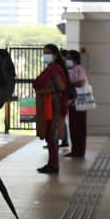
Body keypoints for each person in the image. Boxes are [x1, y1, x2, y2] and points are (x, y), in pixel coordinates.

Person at [33, 43, 68, 174]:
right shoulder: (51, 68)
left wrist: (47, 91)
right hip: (48, 105)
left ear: (55, 55)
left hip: (53, 105)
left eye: (48, 53)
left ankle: (54, 165)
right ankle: (51, 163)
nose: (45, 55)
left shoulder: (55, 69)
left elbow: (61, 87)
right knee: (49, 135)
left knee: (52, 135)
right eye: (44, 53)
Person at [65, 50, 88, 158]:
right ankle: (75, 150)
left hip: (79, 102)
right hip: (72, 103)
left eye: (69, 58)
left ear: (75, 59)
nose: (67, 60)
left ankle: (80, 151)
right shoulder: (71, 69)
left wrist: (70, 84)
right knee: (73, 127)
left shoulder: (79, 69)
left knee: (79, 128)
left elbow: (81, 82)